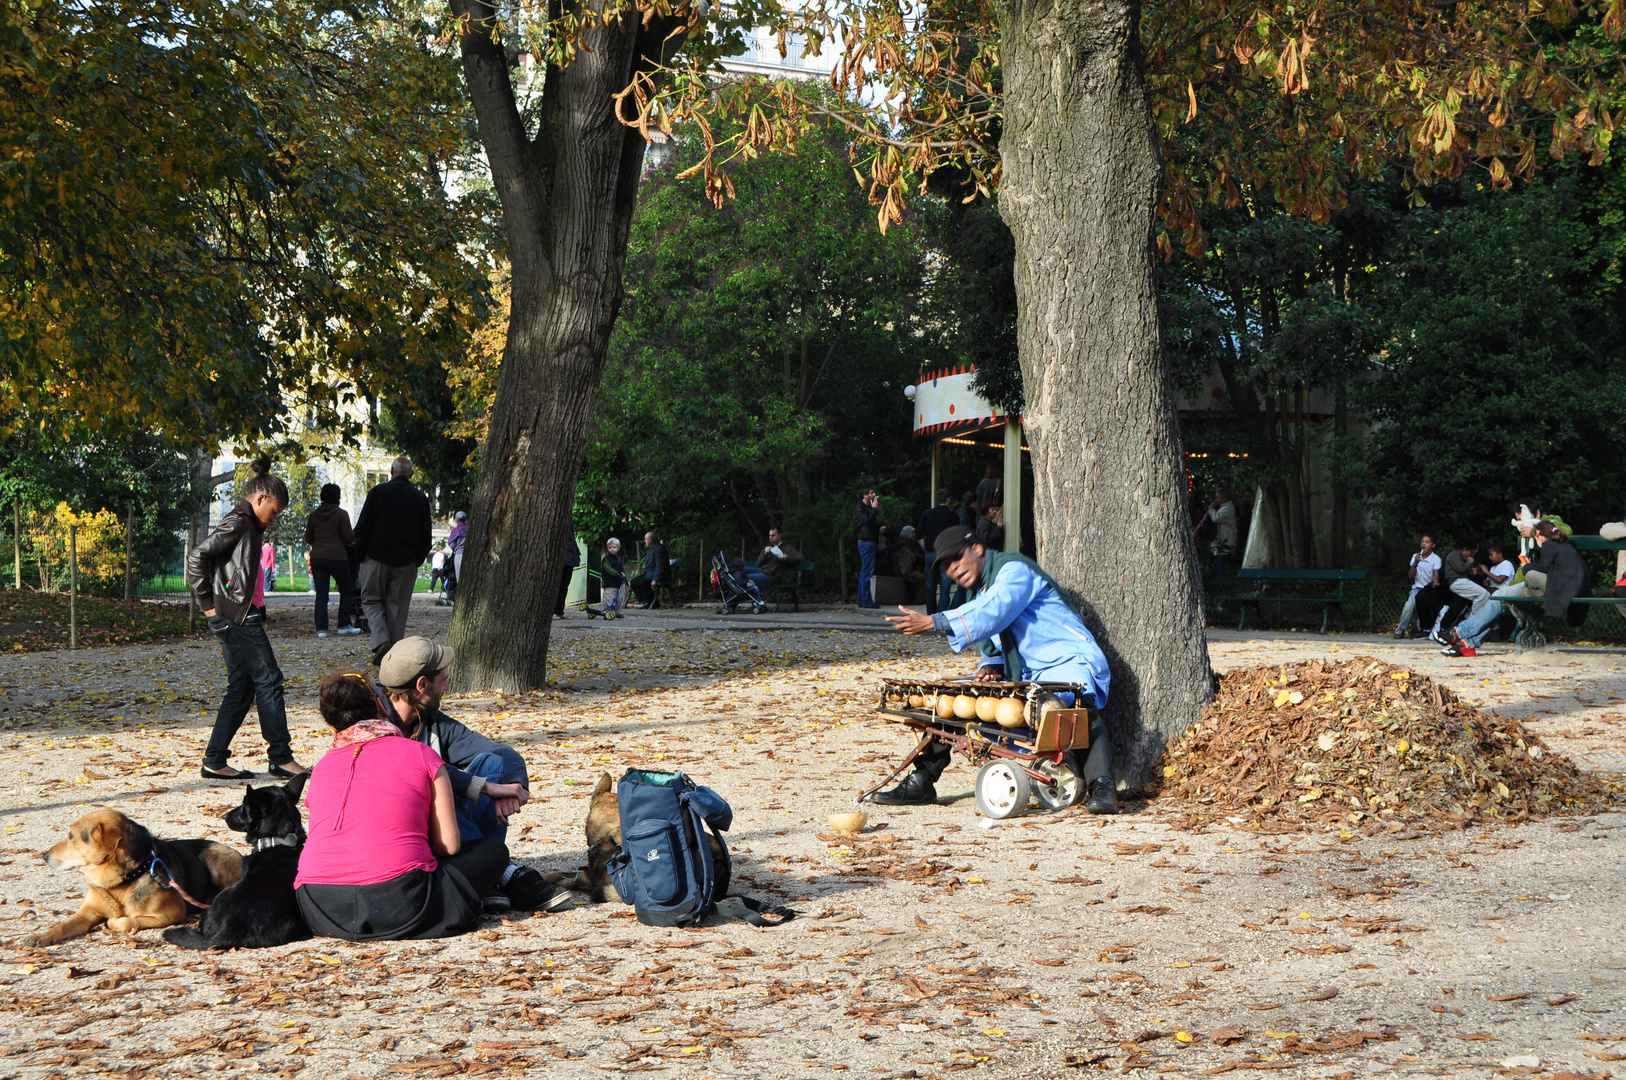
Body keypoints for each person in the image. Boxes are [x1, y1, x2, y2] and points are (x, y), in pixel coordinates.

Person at [876, 526, 1118, 814]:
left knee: (1076, 704)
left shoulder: (1014, 570)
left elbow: (995, 611)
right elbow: (993, 643)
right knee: (951, 699)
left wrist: (934, 621)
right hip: (1031, 676)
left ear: (977, 549)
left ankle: (1103, 785)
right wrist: (990, 666)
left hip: (1069, 659)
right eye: (947, 568)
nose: (953, 571)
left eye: (956, 559)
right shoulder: (983, 591)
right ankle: (922, 781)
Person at [294, 673, 546, 942]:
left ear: (331, 725)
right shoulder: (418, 753)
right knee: (494, 851)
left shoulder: (321, 768)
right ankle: (497, 882)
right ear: (378, 707)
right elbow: (448, 847)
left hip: (319, 908)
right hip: (402, 904)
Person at [372, 638, 566, 913]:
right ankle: (500, 872)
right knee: (432, 787)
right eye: (443, 680)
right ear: (421, 685)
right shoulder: (369, 724)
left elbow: (501, 753)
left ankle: (485, 879)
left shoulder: (430, 719)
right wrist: (484, 788)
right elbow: (415, 770)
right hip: (401, 832)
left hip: (444, 835)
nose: (448, 686)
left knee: (490, 763)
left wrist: (512, 786)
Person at [186, 457, 305, 781]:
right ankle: (280, 757)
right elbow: (198, 556)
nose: (274, 519)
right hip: (235, 617)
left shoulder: (249, 525)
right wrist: (209, 608)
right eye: (274, 511)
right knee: (269, 678)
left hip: (238, 613)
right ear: (260, 499)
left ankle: (214, 760)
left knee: (241, 688)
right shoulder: (239, 521)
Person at [1445, 521, 1586, 656]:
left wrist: (1527, 567)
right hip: (1555, 586)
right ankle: (1467, 642)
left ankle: (1460, 633)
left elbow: (1543, 569)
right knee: (1500, 598)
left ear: (1539, 535)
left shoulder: (1549, 545)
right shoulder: (1564, 545)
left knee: (1500, 597)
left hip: (1553, 587)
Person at [353, 456, 433, 663]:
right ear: (411, 474)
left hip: (376, 557)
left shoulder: (378, 492)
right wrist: (417, 559)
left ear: (391, 471)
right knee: (396, 607)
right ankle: (393, 655)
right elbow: (426, 536)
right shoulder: (420, 498)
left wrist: (359, 555)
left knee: (371, 600)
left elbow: (363, 527)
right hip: (406, 560)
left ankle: (381, 641)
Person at [305, 483, 361, 639]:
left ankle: (322, 629)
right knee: (347, 589)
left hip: (317, 557)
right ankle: (343, 624)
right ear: (338, 497)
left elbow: (308, 538)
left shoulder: (314, 515)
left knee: (321, 594)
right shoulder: (341, 514)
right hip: (337, 557)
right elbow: (349, 538)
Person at [1428, 537, 1489, 644]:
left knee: (1479, 596)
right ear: (1464, 548)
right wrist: (1469, 563)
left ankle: (1470, 621)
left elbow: (1462, 570)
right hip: (1457, 582)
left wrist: (1472, 571)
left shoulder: (1459, 556)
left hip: (1461, 581)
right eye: (1470, 552)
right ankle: (1471, 623)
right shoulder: (1454, 554)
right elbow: (1460, 568)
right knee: (1484, 594)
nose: (1470, 556)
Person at [916, 489, 960, 614]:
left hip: (930, 553)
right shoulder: (953, 516)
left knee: (930, 587)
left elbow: (918, 535)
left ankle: (930, 615)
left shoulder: (927, 514)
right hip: (946, 554)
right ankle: (941, 616)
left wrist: (926, 549)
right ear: (948, 499)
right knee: (945, 587)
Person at [1393, 534, 1441, 638]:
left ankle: (1420, 628)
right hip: (1417, 588)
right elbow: (1411, 576)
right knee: (1409, 605)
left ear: (1433, 545)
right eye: (1422, 541)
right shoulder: (1416, 556)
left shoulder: (1436, 559)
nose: (1424, 544)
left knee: (1422, 606)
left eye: (1427, 542)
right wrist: (1415, 563)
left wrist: (1436, 582)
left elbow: (1436, 574)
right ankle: (1401, 629)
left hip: (1428, 589)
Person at [1195, 490, 1238, 580]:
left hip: (1225, 542)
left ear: (1224, 498)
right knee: (1218, 563)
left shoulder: (1228, 508)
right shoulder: (1221, 507)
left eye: (1218, 498)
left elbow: (1216, 518)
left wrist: (1211, 509)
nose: (1216, 500)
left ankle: (1223, 584)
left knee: (1223, 564)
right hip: (1218, 542)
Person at [587, 538, 629, 618]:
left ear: (618, 548)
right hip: (609, 583)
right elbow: (608, 569)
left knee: (619, 598)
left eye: (614, 547)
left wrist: (626, 580)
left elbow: (623, 570)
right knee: (609, 597)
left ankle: (616, 612)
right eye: (610, 547)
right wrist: (618, 574)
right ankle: (607, 611)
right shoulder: (606, 559)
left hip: (618, 583)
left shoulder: (619, 559)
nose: (612, 549)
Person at [853, 488, 880, 609]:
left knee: (865, 571)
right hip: (866, 542)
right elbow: (867, 521)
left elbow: (871, 523)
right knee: (867, 572)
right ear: (865, 495)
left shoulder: (867, 508)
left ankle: (862, 599)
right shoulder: (860, 508)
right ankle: (866, 600)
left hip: (869, 541)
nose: (874, 495)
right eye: (871, 493)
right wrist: (875, 509)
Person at [630, 530, 670, 609]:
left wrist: (655, 579)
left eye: (646, 539)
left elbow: (660, 566)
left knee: (643, 582)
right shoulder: (651, 549)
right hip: (649, 574)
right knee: (634, 582)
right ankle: (648, 601)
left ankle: (652, 602)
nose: (645, 541)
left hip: (660, 575)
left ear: (650, 540)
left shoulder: (659, 549)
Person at [554, 520, 580, 620]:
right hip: (562, 557)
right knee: (558, 585)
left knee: (564, 586)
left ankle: (559, 611)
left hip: (569, 557)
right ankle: (555, 611)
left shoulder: (570, 521)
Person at [445, 511, 468, 603]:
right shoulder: (471, 528)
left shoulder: (456, 530)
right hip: (470, 556)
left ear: (456, 520)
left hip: (460, 555)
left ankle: (461, 599)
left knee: (460, 577)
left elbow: (452, 545)